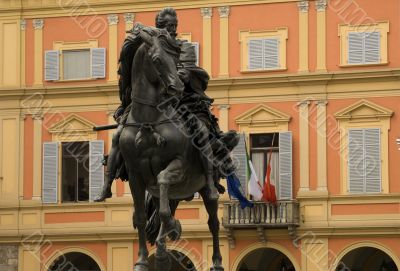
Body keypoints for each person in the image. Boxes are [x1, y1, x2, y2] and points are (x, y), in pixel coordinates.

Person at [95, 7, 235, 202]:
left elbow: (189, 69)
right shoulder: (153, 46)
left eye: (174, 25)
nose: (173, 29)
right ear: (159, 27)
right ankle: (107, 184)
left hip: (181, 100)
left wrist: (180, 76)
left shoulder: (183, 46)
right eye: (168, 26)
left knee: (201, 132)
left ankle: (210, 181)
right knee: (119, 134)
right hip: (153, 101)